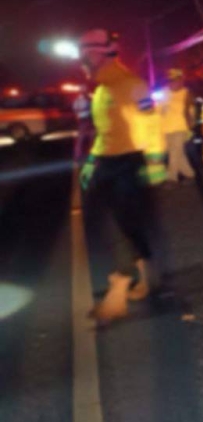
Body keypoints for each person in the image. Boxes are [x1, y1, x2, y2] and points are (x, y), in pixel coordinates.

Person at [77, 29, 166, 325]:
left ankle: (119, 291)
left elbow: (151, 124)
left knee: (126, 222)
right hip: (108, 163)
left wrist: (155, 162)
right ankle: (144, 277)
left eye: (87, 54)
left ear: (103, 53)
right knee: (114, 224)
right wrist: (91, 161)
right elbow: (105, 133)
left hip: (129, 163)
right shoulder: (100, 91)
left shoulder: (132, 85)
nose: (83, 60)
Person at [161, 67, 196, 183]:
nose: (173, 83)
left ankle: (171, 178)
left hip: (181, 127)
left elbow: (191, 111)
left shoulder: (186, 93)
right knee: (177, 153)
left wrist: (191, 126)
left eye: (176, 80)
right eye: (170, 80)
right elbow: (158, 110)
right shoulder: (164, 92)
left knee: (174, 153)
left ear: (181, 80)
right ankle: (190, 174)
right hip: (166, 128)